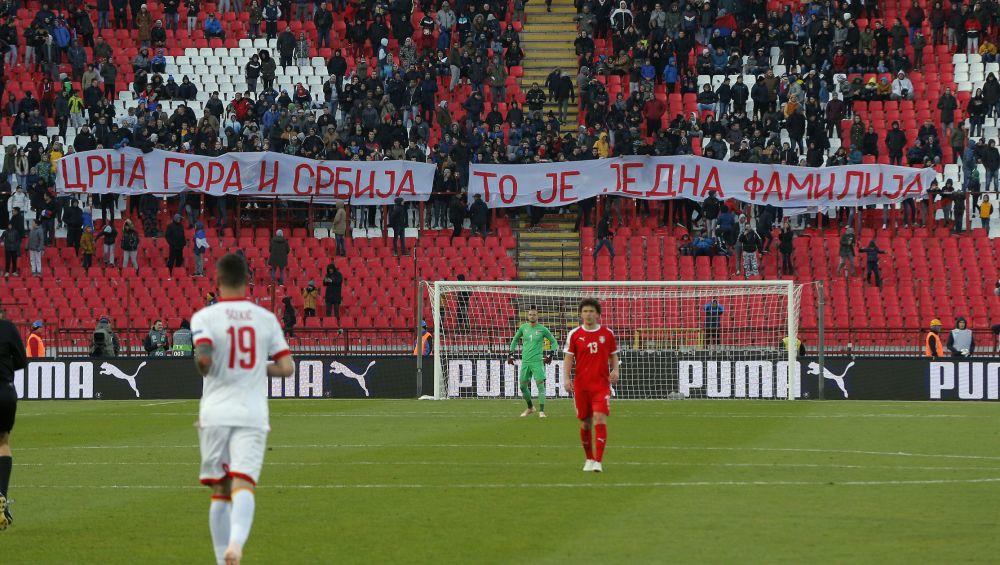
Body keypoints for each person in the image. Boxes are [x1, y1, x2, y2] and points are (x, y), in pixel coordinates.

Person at [191, 253, 294, 565]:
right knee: (243, 482)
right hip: (251, 413)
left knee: (220, 491)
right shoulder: (265, 319)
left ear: (217, 280)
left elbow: (204, 361)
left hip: (215, 413)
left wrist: (209, 362)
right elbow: (287, 367)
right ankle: (236, 545)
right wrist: (255, 367)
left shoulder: (205, 318)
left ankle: (221, 559)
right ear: (247, 281)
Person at [563, 298, 619, 473]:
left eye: (591, 311)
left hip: (601, 385)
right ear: (581, 314)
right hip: (581, 386)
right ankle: (589, 458)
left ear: (598, 314)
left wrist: (615, 370)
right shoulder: (574, 334)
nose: (588, 314)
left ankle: (598, 462)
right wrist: (566, 378)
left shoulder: (607, 333)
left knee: (599, 418)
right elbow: (568, 357)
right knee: (586, 423)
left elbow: (613, 354)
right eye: (585, 311)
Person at [0, 307, 28, 530]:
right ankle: (1, 495)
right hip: (4, 391)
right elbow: (22, 361)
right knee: (3, 441)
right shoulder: (8, 328)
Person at [508, 306, 558, 418]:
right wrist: (511, 353)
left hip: (537, 361)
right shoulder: (523, 328)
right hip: (525, 361)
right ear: (528, 315)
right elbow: (515, 340)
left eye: (534, 314)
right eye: (530, 314)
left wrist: (551, 354)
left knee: (540, 385)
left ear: (537, 316)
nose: (532, 316)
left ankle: (541, 411)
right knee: (522, 386)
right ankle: (530, 407)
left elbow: (554, 342)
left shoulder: (542, 329)